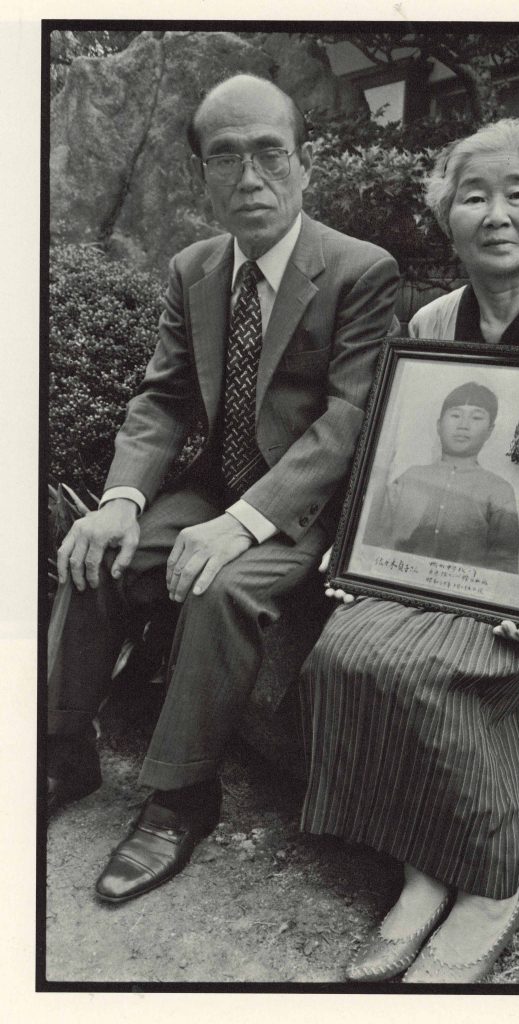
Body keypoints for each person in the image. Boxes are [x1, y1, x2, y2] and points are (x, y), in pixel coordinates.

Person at [299, 117, 519, 983]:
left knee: (449, 667)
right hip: (438, 560)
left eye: (517, 193)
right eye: (472, 195)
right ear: (446, 217)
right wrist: (360, 551)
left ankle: (489, 887)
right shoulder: (429, 318)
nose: (496, 213)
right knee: (346, 649)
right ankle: (422, 872)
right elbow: (397, 452)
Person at [46, 74, 400, 904]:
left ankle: (181, 798)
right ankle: (63, 751)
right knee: (94, 554)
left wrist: (243, 525)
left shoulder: (359, 270)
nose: (251, 180)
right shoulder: (195, 266)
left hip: (310, 508)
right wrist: (123, 501)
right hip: (213, 487)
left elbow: (351, 420)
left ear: (305, 165)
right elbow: (164, 397)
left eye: (271, 155)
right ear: (202, 174)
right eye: (226, 159)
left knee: (219, 586)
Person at [363, 381, 519, 573]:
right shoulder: (410, 477)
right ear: (439, 425)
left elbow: (505, 563)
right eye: (455, 415)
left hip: (462, 597)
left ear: (489, 431)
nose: (463, 425)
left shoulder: (499, 490)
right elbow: (374, 540)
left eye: (476, 418)